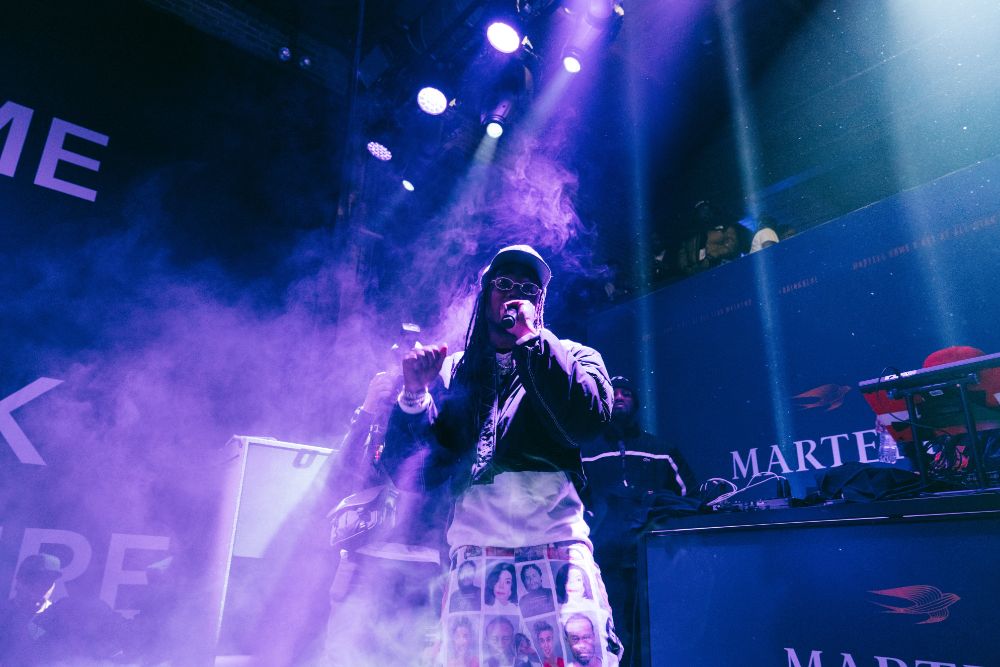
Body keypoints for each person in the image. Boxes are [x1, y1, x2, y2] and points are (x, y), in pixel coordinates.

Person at [383, 244, 622, 667]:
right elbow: (415, 470)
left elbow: (588, 423)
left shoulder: (573, 356)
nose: (516, 295)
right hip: (476, 549)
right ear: (485, 295)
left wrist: (532, 339)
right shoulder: (455, 369)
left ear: (541, 303)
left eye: (529, 289)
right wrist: (414, 395)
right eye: (505, 284)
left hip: (557, 544)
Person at [581, 375, 696, 666]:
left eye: (626, 393)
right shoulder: (586, 452)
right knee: (613, 628)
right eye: (614, 393)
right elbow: (573, 500)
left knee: (657, 627)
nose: (619, 397)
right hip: (604, 562)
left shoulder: (661, 450)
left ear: (636, 403)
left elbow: (689, 498)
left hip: (655, 562)